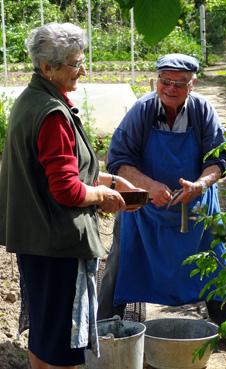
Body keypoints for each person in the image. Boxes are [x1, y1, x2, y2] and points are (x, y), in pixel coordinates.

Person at [0, 22, 140, 369]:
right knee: (64, 346)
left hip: (37, 242)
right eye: (75, 64)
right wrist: (102, 195)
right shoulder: (52, 115)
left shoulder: (32, 100)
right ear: (47, 67)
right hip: (58, 246)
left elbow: (59, 169)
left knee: (45, 336)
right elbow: (66, 189)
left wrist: (108, 179)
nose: (83, 69)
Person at [98, 53, 226, 325]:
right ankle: (105, 325)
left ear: (192, 84)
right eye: (165, 81)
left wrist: (200, 184)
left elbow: (219, 159)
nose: (171, 88)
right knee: (122, 257)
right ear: (157, 81)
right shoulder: (142, 110)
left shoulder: (202, 111)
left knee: (216, 259)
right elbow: (118, 160)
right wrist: (149, 186)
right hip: (145, 207)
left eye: (180, 83)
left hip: (196, 207)